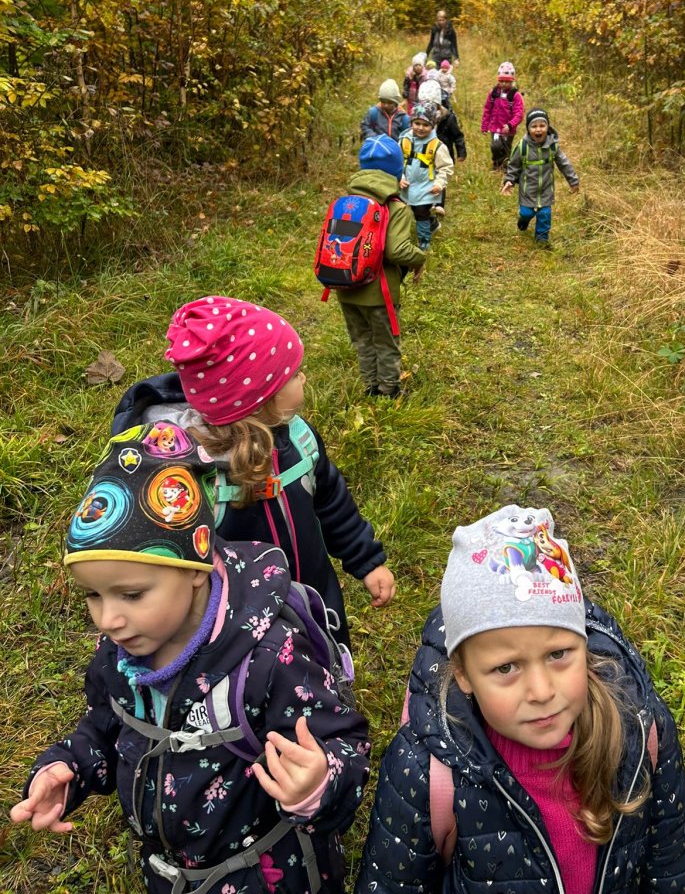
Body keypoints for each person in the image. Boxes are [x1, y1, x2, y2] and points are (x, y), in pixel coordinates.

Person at [11, 430, 371, 894]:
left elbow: (344, 744)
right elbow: (107, 724)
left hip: (268, 874)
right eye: (93, 595)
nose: (108, 619)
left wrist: (319, 783)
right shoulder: (123, 648)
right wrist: (71, 767)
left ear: (196, 571)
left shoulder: (270, 657)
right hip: (170, 874)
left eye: (131, 594)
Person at [355, 505, 685, 894]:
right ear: (464, 674)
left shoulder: (639, 729)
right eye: (506, 668)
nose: (541, 691)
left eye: (558, 654)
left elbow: (671, 859)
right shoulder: (426, 771)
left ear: (584, 644)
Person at [110, 296, 396, 646]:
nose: (304, 377)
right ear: (259, 399)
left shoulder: (299, 440)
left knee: (325, 661)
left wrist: (366, 560)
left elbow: (331, 502)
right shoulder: (186, 478)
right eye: (294, 374)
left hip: (314, 598)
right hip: (239, 635)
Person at [336, 135, 428, 399]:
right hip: (379, 292)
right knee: (386, 342)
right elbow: (396, 250)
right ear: (397, 171)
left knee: (362, 340)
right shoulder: (396, 208)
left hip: (345, 286)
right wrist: (420, 257)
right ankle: (389, 391)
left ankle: (370, 386)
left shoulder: (347, 203)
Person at [501, 108, 580, 249]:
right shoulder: (523, 146)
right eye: (534, 126)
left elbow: (564, 164)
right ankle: (523, 220)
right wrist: (509, 180)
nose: (538, 130)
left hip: (546, 190)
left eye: (542, 125)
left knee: (545, 214)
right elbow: (513, 165)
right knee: (526, 213)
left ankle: (542, 239)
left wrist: (573, 181)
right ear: (528, 128)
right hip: (528, 190)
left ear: (548, 127)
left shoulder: (552, 146)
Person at [399, 103, 454, 250]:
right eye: (417, 123)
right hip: (407, 184)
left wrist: (439, 183)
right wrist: (400, 177)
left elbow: (445, 167)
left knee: (420, 212)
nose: (421, 128)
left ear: (433, 126)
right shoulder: (404, 140)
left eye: (426, 125)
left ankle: (424, 242)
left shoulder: (437, 146)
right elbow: (396, 162)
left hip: (426, 186)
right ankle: (432, 223)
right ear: (411, 123)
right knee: (410, 208)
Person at [481, 61, 524, 169]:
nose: (504, 83)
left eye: (507, 81)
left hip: (508, 130)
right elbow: (487, 109)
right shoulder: (494, 93)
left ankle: (506, 167)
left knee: (506, 149)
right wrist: (485, 125)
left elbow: (519, 114)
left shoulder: (515, 95)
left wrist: (510, 125)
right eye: (501, 81)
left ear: (512, 81)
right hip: (495, 127)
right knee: (495, 146)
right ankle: (497, 164)